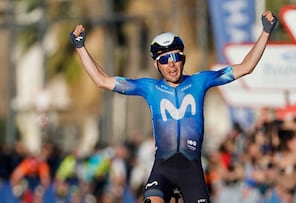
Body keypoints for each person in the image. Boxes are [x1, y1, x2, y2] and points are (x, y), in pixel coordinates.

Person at [70, 10, 277, 203]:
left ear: (183, 59)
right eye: (164, 59)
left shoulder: (200, 81)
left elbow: (246, 67)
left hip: (192, 170)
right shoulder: (149, 88)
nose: (171, 64)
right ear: (156, 65)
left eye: (176, 57)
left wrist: (265, 32)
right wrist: (80, 47)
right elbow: (102, 80)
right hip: (163, 168)